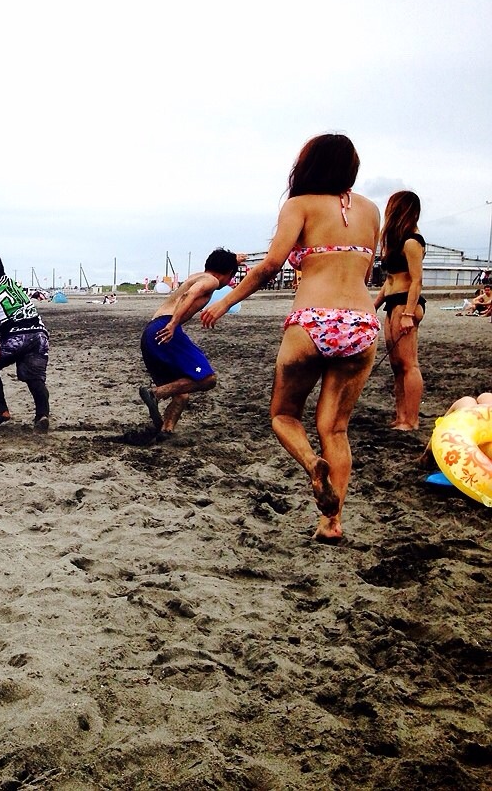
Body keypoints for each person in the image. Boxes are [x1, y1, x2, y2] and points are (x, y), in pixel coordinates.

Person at [201, 133, 380, 543]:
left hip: (312, 320)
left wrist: (224, 302)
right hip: (361, 322)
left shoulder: (299, 205)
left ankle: (312, 464)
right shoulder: (371, 210)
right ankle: (332, 523)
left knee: (284, 415)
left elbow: (270, 266)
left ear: (309, 165)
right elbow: (367, 272)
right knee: (335, 429)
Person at [139, 249, 240, 436]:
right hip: (165, 328)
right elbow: (189, 296)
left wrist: (234, 261)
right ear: (227, 273)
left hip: (150, 332)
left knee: (181, 393)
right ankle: (155, 394)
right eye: (231, 276)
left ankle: (166, 431)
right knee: (207, 379)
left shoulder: (197, 276)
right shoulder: (212, 280)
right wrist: (173, 324)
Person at [0, 250, 51, 430]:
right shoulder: (13, 283)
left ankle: (3, 410)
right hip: (39, 334)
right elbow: (33, 295)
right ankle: (42, 415)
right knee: (35, 378)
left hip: (15, 336)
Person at [373, 191, 425, 430]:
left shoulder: (412, 242)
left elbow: (416, 281)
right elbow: (390, 280)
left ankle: (412, 420)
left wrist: (408, 314)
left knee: (409, 364)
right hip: (393, 303)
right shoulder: (397, 241)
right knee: (396, 366)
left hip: (406, 304)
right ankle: (401, 416)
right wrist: (373, 306)